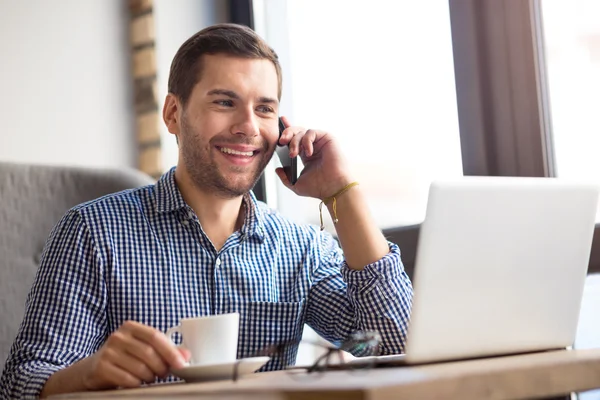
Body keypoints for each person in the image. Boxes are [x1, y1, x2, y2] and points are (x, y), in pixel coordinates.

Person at [0, 23, 413, 398]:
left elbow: (395, 343)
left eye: (265, 108)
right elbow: (21, 382)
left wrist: (341, 192)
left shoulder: (301, 250)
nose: (249, 126)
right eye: (225, 102)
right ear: (173, 114)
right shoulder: (90, 232)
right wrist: (88, 375)